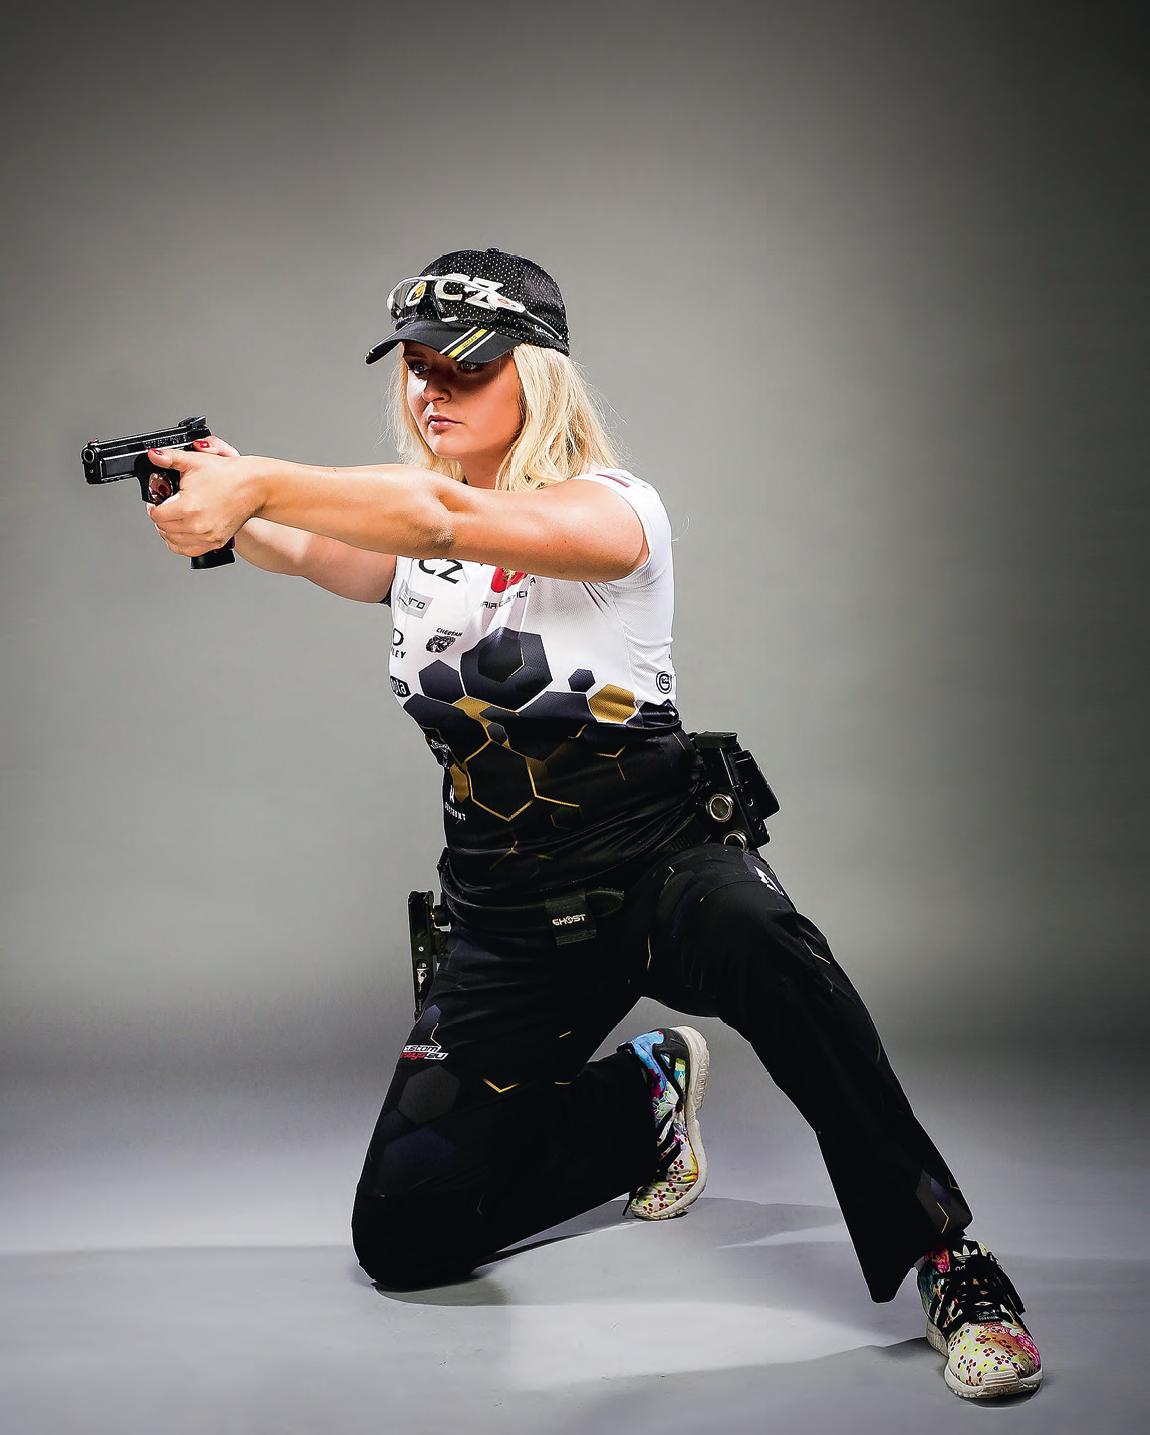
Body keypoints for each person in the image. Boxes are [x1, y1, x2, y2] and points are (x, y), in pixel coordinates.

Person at [145, 246, 1043, 1401]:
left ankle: (949, 1258)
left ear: (537, 373)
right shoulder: (408, 545)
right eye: (415, 366)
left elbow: (437, 512)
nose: (430, 389)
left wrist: (257, 480)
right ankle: (645, 1104)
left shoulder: (614, 510)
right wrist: (210, 503)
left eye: (463, 368)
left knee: (772, 948)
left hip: (660, 867)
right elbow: (315, 545)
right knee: (403, 1238)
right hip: (507, 910)